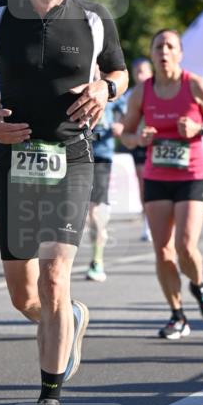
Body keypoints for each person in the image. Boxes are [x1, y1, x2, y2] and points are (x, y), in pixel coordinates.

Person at [0, 0, 128, 405]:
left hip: (72, 156)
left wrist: (106, 88)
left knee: (55, 277)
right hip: (13, 160)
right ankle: (71, 319)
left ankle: (50, 403)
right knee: (26, 298)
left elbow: (120, 74)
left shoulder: (93, 17)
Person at [120, 29, 203, 339]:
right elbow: (126, 135)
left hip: (191, 174)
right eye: (158, 46)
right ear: (152, 54)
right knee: (163, 251)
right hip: (157, 176)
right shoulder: (142, 92)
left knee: (185, 246)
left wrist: (198, 128)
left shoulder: (194, 85)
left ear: (179, 53)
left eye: (170, 46)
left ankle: (199, 286)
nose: (164, 51)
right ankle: (177, 315)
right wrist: (138, 138)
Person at [85, 94, 125, 282]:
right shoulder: (77, 80)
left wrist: (121, 125)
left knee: (95, 212)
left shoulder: (113, 87)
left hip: (101, 155)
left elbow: (128, 115)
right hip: (74, 154)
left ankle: (97, 260)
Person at [121, 57, 153, 241]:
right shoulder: (131, 94)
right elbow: (122, 120)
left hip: (157, 144)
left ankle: (161, 222)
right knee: (143, 184)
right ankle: (147, 222)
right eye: (137, 72)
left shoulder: (158, 91)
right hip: (139, 144)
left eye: (144, 71)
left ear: (150, 72)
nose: (140, 75)